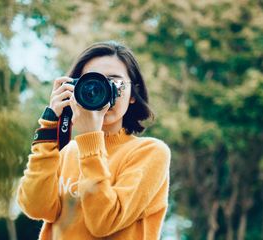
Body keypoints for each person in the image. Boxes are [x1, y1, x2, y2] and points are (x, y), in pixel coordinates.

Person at [17, 41, 171, 239]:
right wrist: (49, 126)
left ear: (133, 94)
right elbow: (36, 208)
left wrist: (90, 140)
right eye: (92, 83)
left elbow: (103, 222)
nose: (103, 92)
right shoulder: (67, 152)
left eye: (114, 82)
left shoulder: (150, 153)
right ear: (74, 89)